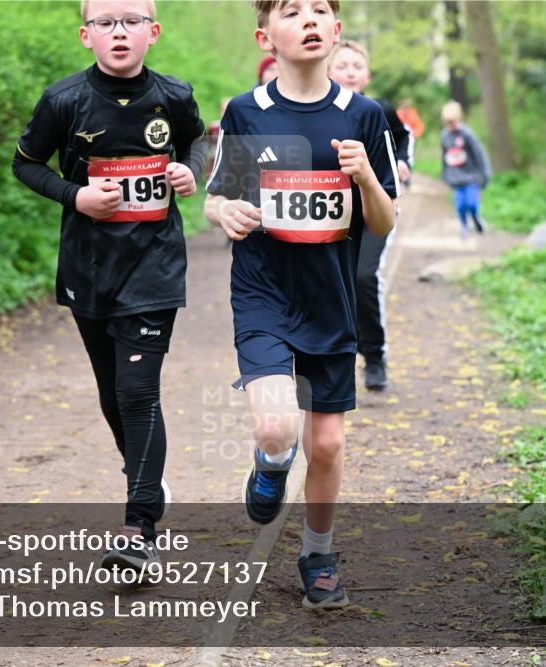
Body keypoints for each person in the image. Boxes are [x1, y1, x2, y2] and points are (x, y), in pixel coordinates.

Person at [205, 0, 397, 609]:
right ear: (265, 36)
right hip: (263, 290)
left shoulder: (364, 115)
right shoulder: (246, 111)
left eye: (320, 10)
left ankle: (318, 553)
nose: (309, 20)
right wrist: (225, 211)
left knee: (329, 445)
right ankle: (270, 462)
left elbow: (384, 222)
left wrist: (365, 177)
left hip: (330, 297)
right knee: (274, 425)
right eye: (292, 11)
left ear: (336, 30)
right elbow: (216, 198)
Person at [13, 0, 206, 572]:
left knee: (138, 392)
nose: (118, 32)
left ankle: (138, 529)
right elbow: (26, 164)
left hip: (155, 264)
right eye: (105, 23)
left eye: (131, 21)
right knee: (111, 393)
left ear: (153, 31)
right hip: (89, 266)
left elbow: (196, 143)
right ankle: (146, 479)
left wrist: (189, 169)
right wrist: (76, 196)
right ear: (86, 35)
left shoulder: (173, 95)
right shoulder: (63, 99)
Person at [328, 39, 412, 391]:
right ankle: (335, 354)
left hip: (374, 210)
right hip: (332, 213)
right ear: (328, 71)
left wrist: (404, 162)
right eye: (342, 65)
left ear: (367, 75)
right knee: (333, 282)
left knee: (363, 277)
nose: (350, 72)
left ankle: (375, 356)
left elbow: (404, 136)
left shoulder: (379, 109)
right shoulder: (316, 111)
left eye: (357, 66)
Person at [440, 100, 491, 237]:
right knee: (460, 206)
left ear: (459, 119)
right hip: (456, 178)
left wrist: (485, 174)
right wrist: (445, 174)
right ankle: (464, 225)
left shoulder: (467, 134)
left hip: (470, 177)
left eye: (453, 122)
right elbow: (444, 157)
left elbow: (479, 155)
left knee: (472, 203)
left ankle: (476, 218)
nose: (451, 126)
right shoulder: (445, 136)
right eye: (448, 123)